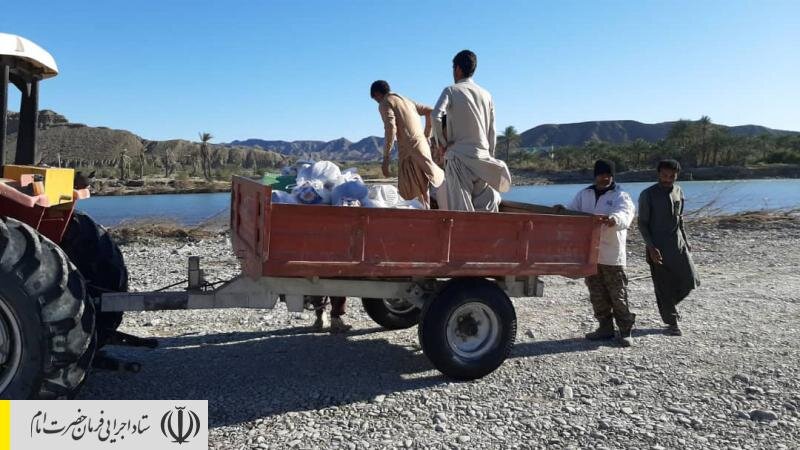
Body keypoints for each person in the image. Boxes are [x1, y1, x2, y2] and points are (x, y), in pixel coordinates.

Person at [565, 159, 636, 347]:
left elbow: (626, 214)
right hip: (590, 254)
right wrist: (561, 212)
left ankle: (625, 330)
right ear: (595, 175)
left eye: (608, 174)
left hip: (612, 255)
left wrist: (614, 219)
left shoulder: (621, 195)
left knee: (618, 294)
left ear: (612, 176)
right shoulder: (584, 194)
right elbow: (571, 212)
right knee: (596, 293)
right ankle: (604, 328)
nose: (604, 177)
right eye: (601, 174)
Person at [432, 49, 511, 212]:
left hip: (459, 158)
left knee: (462, 212)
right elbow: (492, 130)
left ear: (458, 69)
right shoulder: (486, 95)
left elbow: (435, 115)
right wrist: (489, 155)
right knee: (485, 212)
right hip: (482, 160)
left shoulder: (451, 90)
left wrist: (443, 143)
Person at [638, 159, 700, 336]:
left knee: (690, 280)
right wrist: (651, 247)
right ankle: (672, 321)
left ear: (676, 175)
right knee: (663, 285)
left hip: (678, 244)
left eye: (672, 176)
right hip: (657, 247)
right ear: (659, 174)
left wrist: (686, 241)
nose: (668, 179)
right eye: (664, 175)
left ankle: (667, 305)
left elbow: (679, 219)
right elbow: (642, 223)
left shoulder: (679, 191)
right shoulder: (647, 194)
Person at [370, 80, 444, 209]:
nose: (377, 102)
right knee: (423, 190)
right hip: (423, 149)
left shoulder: (385, 102)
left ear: (377, 94)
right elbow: (431, 111)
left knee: (413, 194)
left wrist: (386, 157)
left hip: (410, 153)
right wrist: (426, 134)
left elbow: (390, 128)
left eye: (375, 99)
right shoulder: (406, 100)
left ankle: (420, 223)